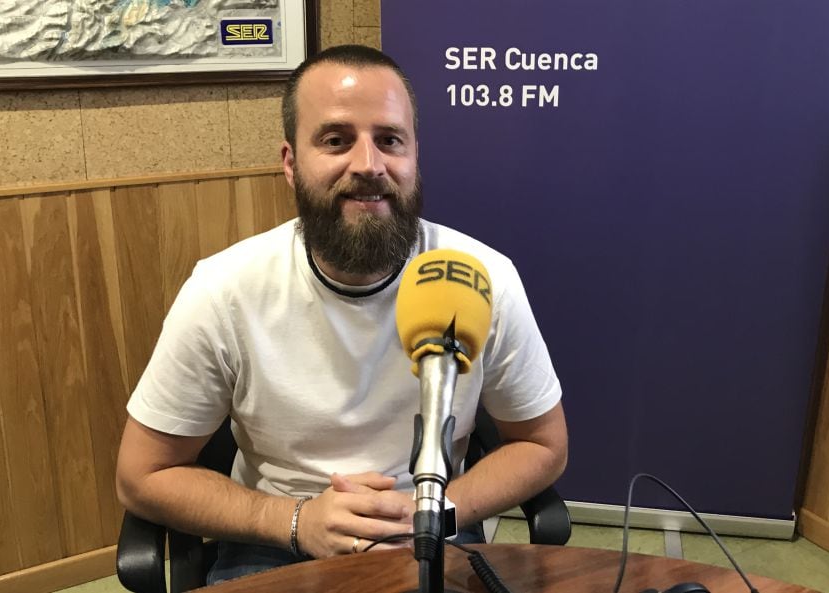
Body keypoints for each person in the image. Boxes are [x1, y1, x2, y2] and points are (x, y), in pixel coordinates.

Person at [115, 44, 568, 585]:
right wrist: (292, 520)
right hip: (277, 539)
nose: (369, 165)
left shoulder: (483, 278)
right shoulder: (223, 290)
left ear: (415, 155)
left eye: (389, 140)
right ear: (290, 163)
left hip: (436, 526)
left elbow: (543, 443)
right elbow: (142, 474)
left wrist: (434, 511)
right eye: (336, 140)